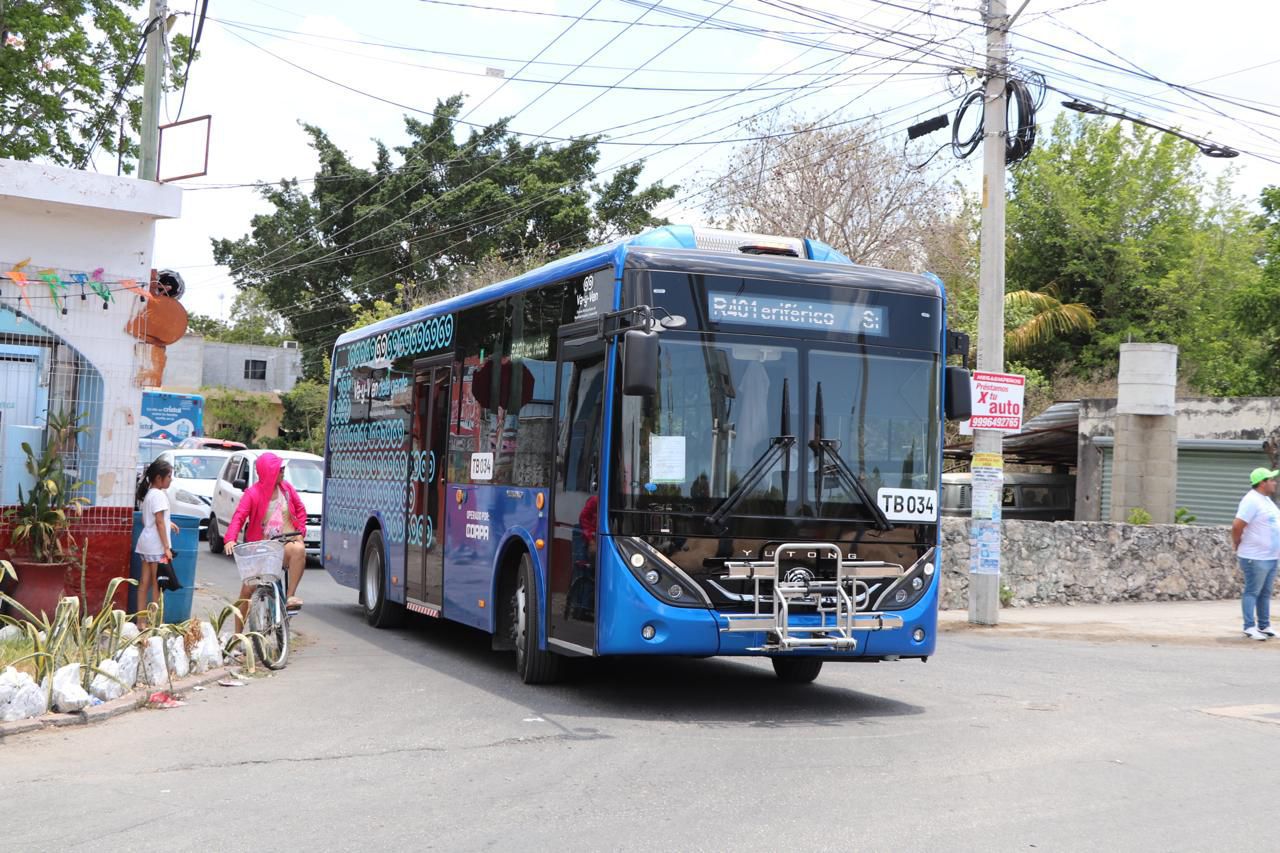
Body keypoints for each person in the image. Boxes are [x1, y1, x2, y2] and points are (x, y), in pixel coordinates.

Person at [223, 453, 308, 613]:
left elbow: (300, 509)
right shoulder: (252, 493)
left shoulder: (286, 489)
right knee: (247, 593)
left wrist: (300, 532)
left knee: (299, 550)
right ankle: (239, 635)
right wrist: (230, 539)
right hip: (261, 549)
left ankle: (290, 597)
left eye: (283, 469)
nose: (283, 472)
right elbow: (239, 516)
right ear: (270, 472)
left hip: (284, 544)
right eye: (280, 469)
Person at [1231, 467, 1280, 641]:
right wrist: (1236, 542)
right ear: (1262, 483)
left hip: (1271, 557)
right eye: (1271, 480)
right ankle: (1249, 627)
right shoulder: (1251, 501)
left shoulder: (1266, 500)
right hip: (1255, 557)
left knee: (1265, 593)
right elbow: (1237, 525)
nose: (1274, 482)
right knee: (1252, 592)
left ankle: (1264, 626)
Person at [135, 459, 178, 625]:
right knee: (157, 584)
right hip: (156, 547)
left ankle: (141, 621)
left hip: (145, 544)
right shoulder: (159, 495)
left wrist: (169, 523)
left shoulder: (150, 494)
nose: (171, 479)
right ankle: (154, 622)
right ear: (159, 478)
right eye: (169, 476)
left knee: (144, 582)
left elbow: (155, 520)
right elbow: (159, 522)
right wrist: (167, 548)